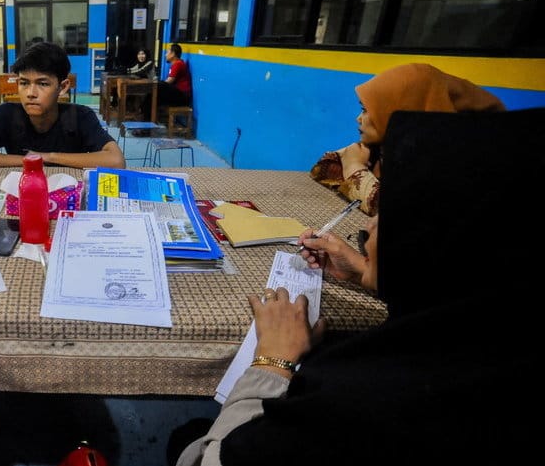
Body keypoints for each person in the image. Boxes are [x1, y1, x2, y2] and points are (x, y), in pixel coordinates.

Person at [172, 107, 541, 466]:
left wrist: (273, 363)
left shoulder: (368, 398)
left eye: (391, 213)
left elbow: (211, 460)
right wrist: (370, 273)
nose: (370, 228)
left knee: (187, 439)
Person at [310, 63, 505, 215]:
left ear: (403, 111)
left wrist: (354, 167)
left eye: (365, 110)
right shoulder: (382, 148)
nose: (358, 118)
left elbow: (399, 213)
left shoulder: (448, 164)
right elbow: (323, 169)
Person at [0, 41, 125, 170]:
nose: (31, 93)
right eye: (24, 83)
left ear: (63, 87)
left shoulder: (80, 116)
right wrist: (30, 160)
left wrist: (49, 157)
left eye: (43, 84)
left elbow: (116, 160)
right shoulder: (7, 114)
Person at [140, 43, 191, 126]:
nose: (165, 55)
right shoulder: (176, 64)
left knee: (157, 88)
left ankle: (146, 124)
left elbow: (169, 81)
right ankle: (146, 123)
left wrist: (156, 84)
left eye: (167, 52)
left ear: (173, 54)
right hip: (178, 95)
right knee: (152, 99)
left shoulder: (178, 64)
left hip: (182, 97)